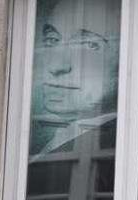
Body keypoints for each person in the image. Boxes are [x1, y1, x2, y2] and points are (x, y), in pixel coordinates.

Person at [29, 0, 121, 157]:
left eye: (88, 44)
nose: (56, 66)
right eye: (52, 40)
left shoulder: (114, 151)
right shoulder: (55, 141)